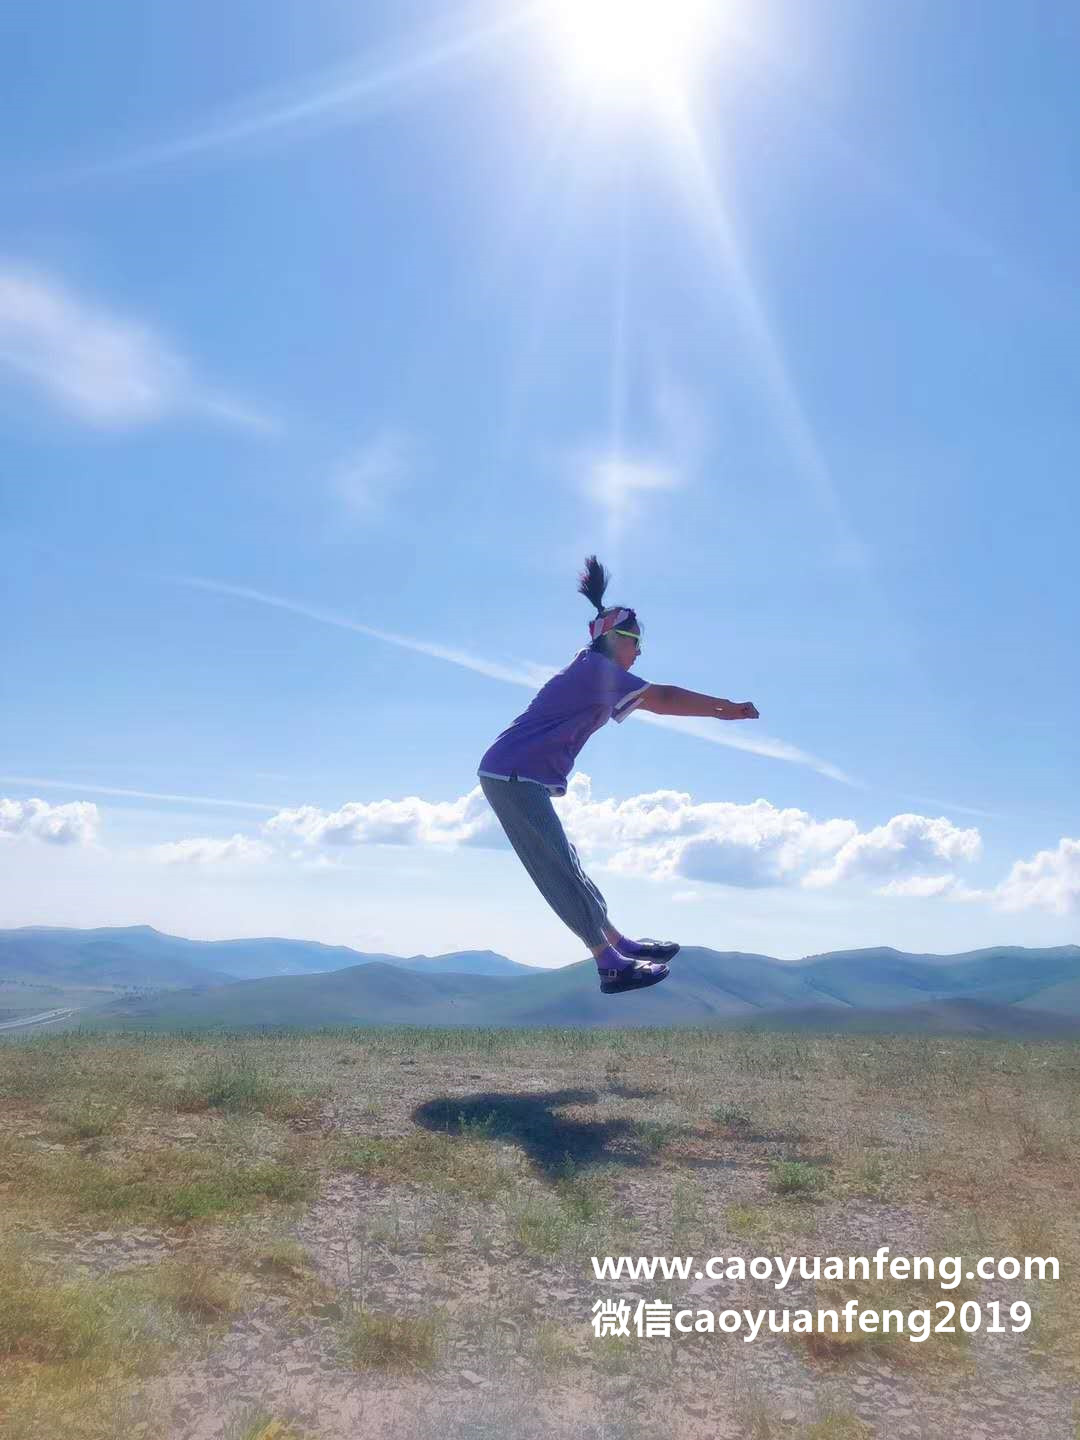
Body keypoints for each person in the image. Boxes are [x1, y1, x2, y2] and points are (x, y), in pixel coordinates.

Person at [477, 555, 759, 995]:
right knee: (556, 869)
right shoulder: (594, 671)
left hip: (514, 773)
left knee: (566, 861)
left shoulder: (591, 669)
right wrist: (723, 708)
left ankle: (616, 941)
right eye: (636, 642)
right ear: (614, 639)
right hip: (511, 774)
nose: (639, 652)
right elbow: (660, 697)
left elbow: (653, 698)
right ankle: (610, 964)